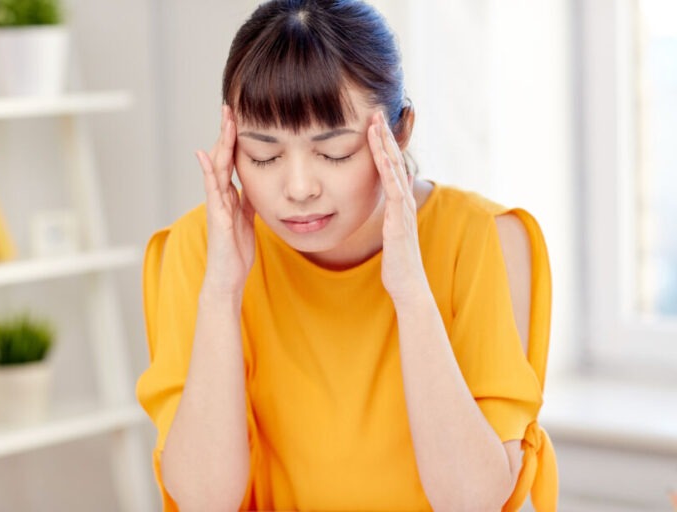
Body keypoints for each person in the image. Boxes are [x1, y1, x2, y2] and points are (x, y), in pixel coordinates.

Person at [136, 1, 558, 510]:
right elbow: (205, 500)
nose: (297, 188)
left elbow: (472, 500)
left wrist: (410, 293)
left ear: (400, 131)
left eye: (334, 153)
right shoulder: (200, 250)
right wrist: (222, 293)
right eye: (263, 155)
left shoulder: (484, 239)